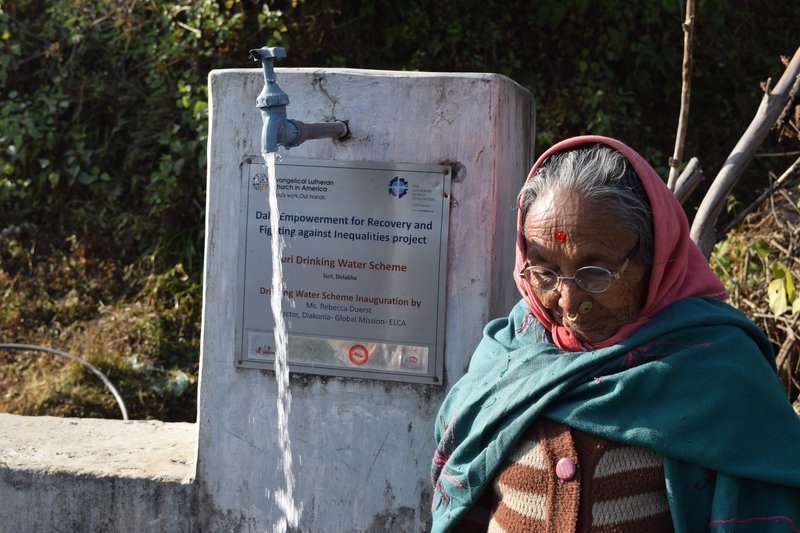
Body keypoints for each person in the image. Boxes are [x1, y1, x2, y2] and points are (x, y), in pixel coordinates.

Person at [430, 136, 800, 532]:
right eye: (545, 273)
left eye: (595, 272)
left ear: (654, 256)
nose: (570, 303)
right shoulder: (505, 359)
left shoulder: (719, 371)